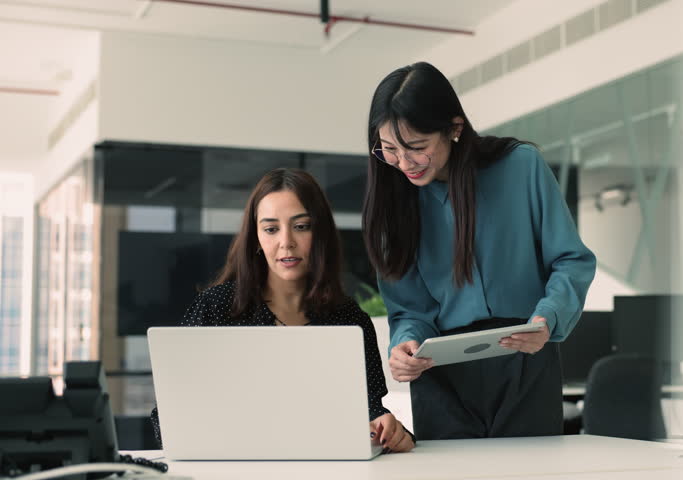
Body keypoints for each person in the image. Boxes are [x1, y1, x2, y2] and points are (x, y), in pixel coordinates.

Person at [362, 61, 596, 440]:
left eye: (416, 148)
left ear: (453, 128)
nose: (404, 164)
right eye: (389, 150)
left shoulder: (521, 167)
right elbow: (409, 309)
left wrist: (546, 318)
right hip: (441, 373)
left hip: (524, 359)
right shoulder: (393, 204)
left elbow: (571, 260)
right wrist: (404, 342)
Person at [151, 168, 414, 453]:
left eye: (301, 226)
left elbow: (369, 411)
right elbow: (166, 417)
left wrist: (390, 429)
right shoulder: (216, 309)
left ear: (321, 233)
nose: (286, 242)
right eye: (271, 229)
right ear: (256, 238)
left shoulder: (349, 318)